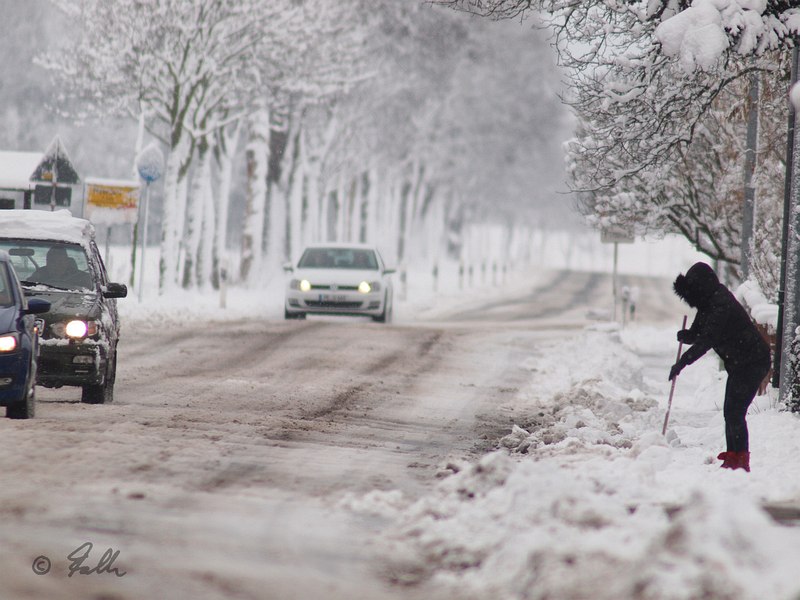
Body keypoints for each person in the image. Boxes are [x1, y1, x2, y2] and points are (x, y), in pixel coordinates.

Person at [669, 262, 770, 472]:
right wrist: (687, 335)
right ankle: (734, 455)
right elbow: (699, 334)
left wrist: (682, 363)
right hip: (742, 362)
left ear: (701, 289)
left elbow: (707, 340)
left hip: (752, 361)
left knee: (735, 412)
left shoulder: (720, 305)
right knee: (731, 411)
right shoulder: (709, 303)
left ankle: (740, 459)